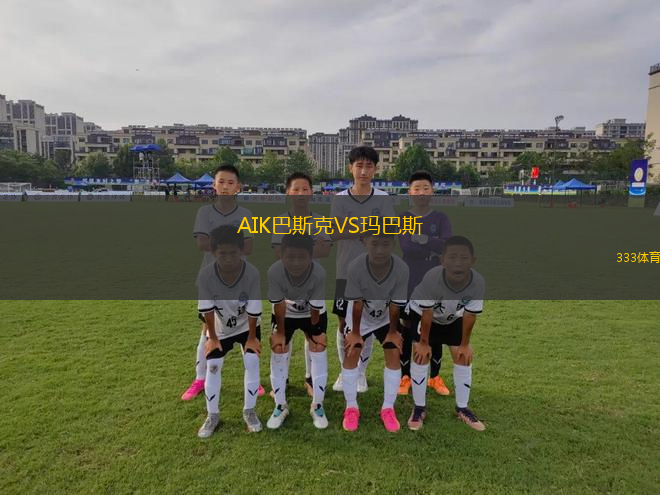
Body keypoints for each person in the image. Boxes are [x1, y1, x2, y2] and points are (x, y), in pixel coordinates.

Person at [181, 165, 264, 401]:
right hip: (211, 278)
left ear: (238, 187)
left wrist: (221, 243)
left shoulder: (246, 214)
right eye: (221, 182)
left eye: (230, 183)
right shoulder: (205, 212)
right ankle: (200, 378)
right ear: (214, 185)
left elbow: (249, 247)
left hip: (240, 279)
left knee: (245, 326)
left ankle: (254, 379)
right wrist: (230, 243)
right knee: (208, 329)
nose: (225, 187)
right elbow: (201, 243)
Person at [330, 146, 395, 393]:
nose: (364, 171)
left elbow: (389, 231)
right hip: (345, 272)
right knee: (342, 324)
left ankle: (360, 373)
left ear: (375, 170)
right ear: (351, 168)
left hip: (375, 273)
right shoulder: (340, 198)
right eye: (359, 165)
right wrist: (366, 227)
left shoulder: (383, 198)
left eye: (369, 166)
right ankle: (345, 369)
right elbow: (334, 232)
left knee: (366, 325)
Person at [406, 236, 486, 431]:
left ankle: (462, 408)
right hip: (423, 314)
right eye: (452, 257)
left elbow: (470, 315)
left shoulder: (477, 282)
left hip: (451, 317)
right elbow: (427, 312)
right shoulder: (432, 278)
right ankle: (419, 408)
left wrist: (465, 345)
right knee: (420, 354)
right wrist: (424, 343)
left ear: (473, 260)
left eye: (463, 258)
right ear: (442, 260)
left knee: (463, 356)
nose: (458, 263)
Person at [196, 225, 263, 438]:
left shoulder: (251, 273)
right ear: (213, 252)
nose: (228, 258)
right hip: (220, 328)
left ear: (241, 250)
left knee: (252, 361)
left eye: (233, 253)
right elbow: (207, 309)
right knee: (213, 366)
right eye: (222, 253)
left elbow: (254, 308)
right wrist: (212, 338)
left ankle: (249, 411)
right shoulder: (206, 275)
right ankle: (212, 415)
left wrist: (251, 338)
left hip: (246, 326)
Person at [341, 229, 409, 432]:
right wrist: (355, 333)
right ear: (365, 243)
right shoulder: (356, 267)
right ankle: (351, 407)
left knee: (393, 351)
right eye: (374, 244)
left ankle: (388, 408)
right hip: (359, 316)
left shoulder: (401, 268)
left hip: (387, 316)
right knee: (352, 351)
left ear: (393, 245)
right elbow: (357, 303)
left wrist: (393, 332)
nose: (380, 250)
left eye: (386, 244)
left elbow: (396, 304)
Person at [271, 172, 332, 396]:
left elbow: (325, 251)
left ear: (311, 192)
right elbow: (279, 254)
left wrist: (297, 251)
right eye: (295, 189)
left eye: (305, 189)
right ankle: (282, 379)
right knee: (282, 339)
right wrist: (309, 247)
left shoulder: (319, 220)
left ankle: (310, 378)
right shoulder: (280, 221)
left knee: (312, 336)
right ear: (288, 192)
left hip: (312, 286)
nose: (300, 193)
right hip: (286, 288)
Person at [398, 170, 453, 397]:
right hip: (410, 279)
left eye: (426, 188)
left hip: (436, 279)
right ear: (410, 192)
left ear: (432, 191)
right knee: (408, 326)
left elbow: (446, 246)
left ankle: (434, 377)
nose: (421, 192)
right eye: (417, 188)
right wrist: (432, 246)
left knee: (435, 326)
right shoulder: (404, 217)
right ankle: (405, 376)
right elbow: (406, 247)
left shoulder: (441, 218)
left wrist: (421, 238)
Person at [267, 233, 329, 429]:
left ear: (311, 256)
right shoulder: (274, 272)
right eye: (290, 256)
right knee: (278, 348)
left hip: (312, 313)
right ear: (282, 255)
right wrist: (280, 334)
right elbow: (278, 305)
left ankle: (317, 405)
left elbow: (315, 309)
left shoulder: (319, 272)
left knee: (318, 347)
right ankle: (280, 405)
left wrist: (315, 333)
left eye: (302, 257)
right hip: (285, 313)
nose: (296, 262)